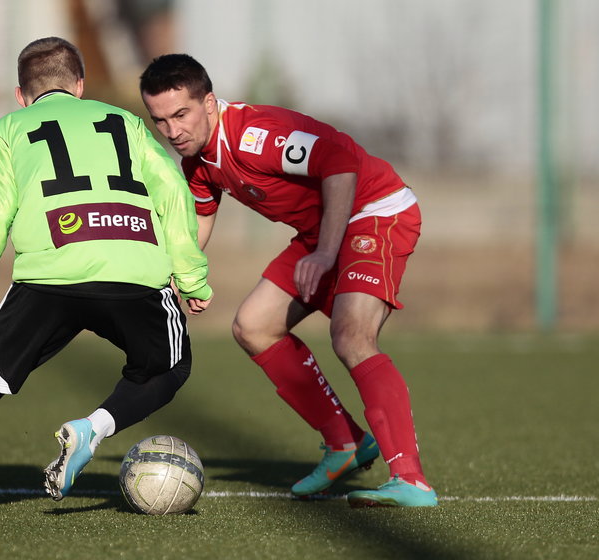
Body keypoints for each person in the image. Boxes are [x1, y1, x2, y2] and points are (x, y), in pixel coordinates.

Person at [0, 38, 212, 519]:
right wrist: (192, 280)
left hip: (46, 278)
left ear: (21, 95)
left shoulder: (0, 133)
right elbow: (174, 193)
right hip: (132, 272)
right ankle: (94, 428)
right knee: (171, 366)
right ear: (80, 86)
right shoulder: (126, 122)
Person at [139, 54, 436, 507]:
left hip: (374, 212)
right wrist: (177, 278)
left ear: (210, 104)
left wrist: (325, 252)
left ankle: (410, 479)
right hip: (324, 231)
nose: (173, 131)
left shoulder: (254, 137)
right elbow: (200, 218)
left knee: (352, 336)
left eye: (181, 114)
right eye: (160, 121)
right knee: (254, 326)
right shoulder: (197, 161)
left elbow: (339, 161)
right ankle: (345, 443)